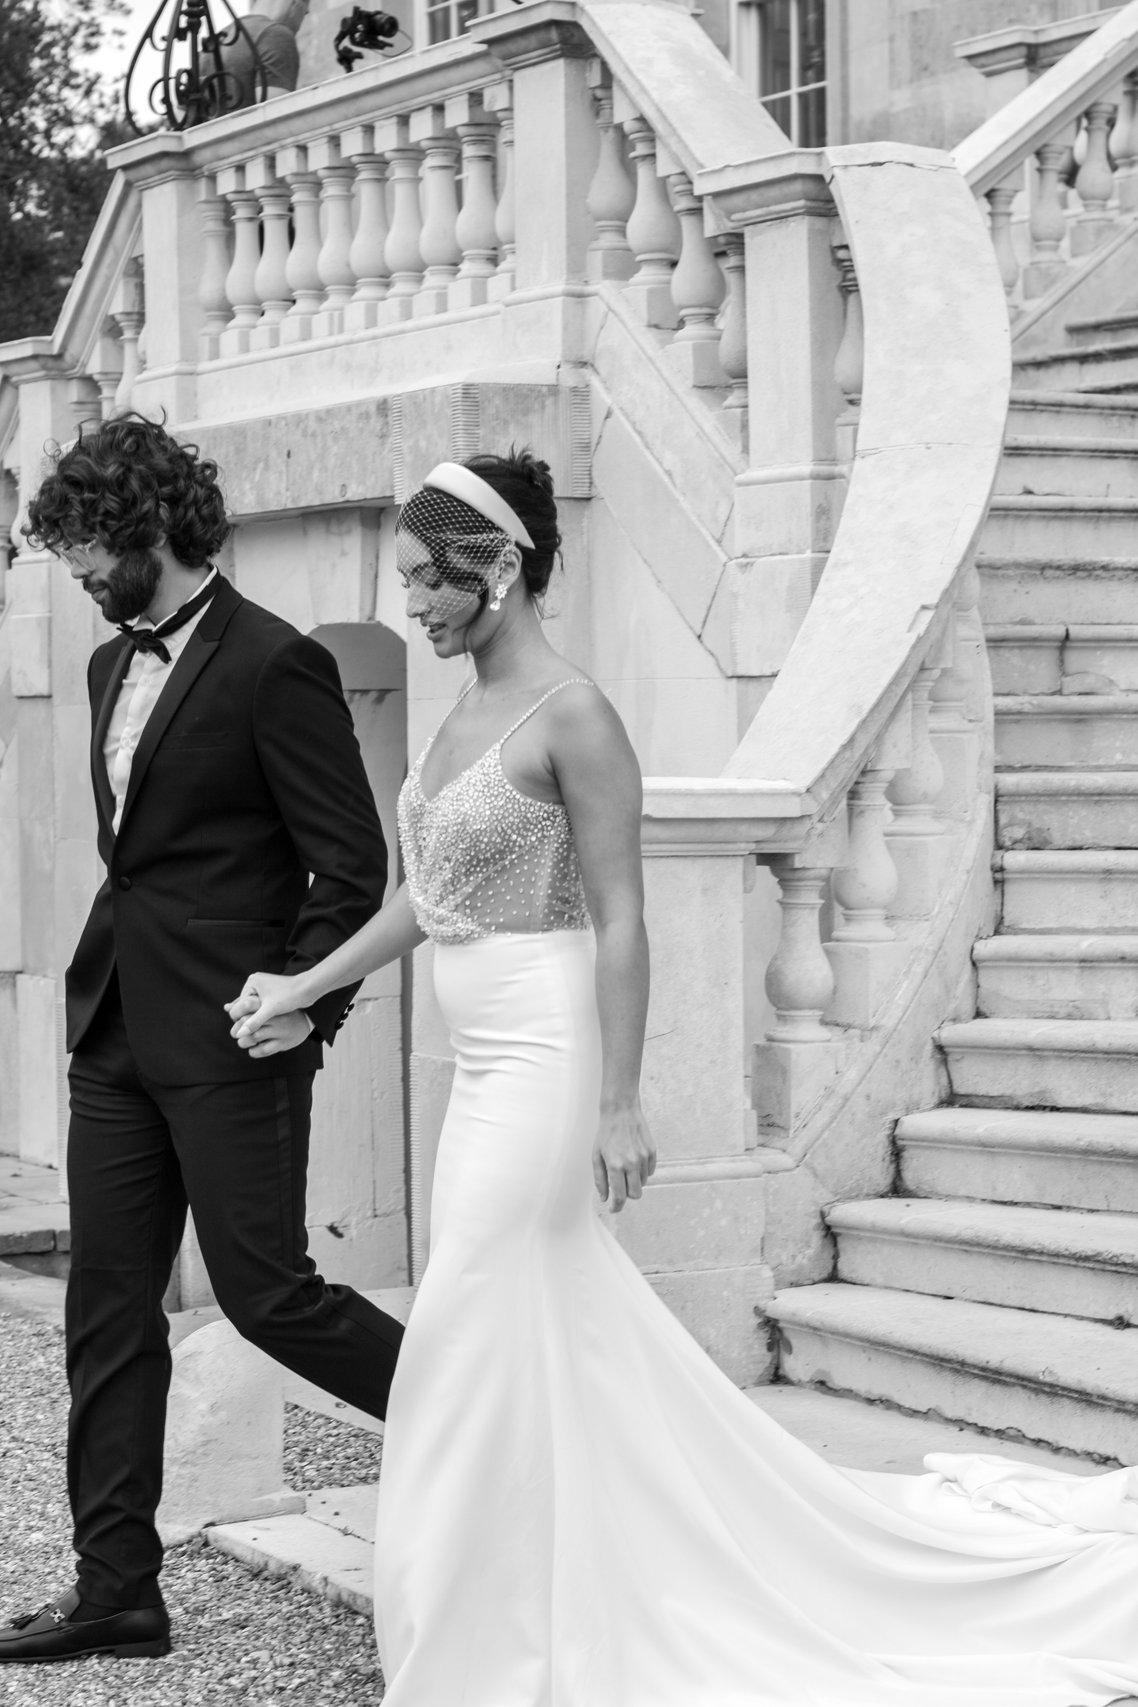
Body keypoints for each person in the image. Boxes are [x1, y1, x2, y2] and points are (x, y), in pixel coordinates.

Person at [228, 451, 1138, 1706]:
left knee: (463, 1326)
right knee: (529, 1334)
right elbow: (421, 902)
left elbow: (619, 921)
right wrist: (304, 985)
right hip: (477, 1062)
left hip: (548, 1060)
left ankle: (482, 1637)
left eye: (430, 583)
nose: (415, 610)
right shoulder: (453, 717)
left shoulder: (574, 713)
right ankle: (539, 1591)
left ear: (498, 570)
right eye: (404, 585)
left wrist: (618, 1101)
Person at [0, 414, 405, 1666]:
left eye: (83, 546)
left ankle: (494, 1423)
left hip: (235, 1045)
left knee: (270, 1295)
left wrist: (298, 1008)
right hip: (116, 1027)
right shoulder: (108, 666)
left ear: (150, 529)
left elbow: (351, 864)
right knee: (108, 1312)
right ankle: (117, 1588)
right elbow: (145, 858)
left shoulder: (276, 663)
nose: (73, 573)